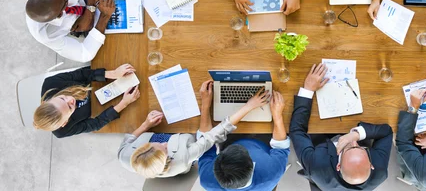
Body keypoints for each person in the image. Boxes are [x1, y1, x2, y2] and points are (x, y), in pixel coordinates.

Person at [118, 81, 270, 178]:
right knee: (208, 138)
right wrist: (248, 106)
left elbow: (130, 139)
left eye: (158, 144)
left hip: (162, 127)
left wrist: (146, 125)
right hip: (192, 145)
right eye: (165, 149)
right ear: (167, 159)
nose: (166, 143)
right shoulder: (183, 158)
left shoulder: (124, 157)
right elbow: (210, 136)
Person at [290, 63, 393, 190]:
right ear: (371, 165)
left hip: (321, 141)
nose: (354, 142)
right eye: (362, 148)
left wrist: (308, 90)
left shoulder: (317, 166)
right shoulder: (380, 171)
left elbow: (297, 131)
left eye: (349, 148)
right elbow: (387, 132)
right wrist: (356, 134)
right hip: (353, 124)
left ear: (338, 166)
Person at [26, 0, 115, 62]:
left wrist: (90, 10)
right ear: (60, 14)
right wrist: (104, 17)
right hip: (79, 25)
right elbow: (84, 55)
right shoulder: (44, 34)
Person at [198, 91, 289, 190]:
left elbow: (205, 142)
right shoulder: (272, 174)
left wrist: (205, 106)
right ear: (252, 167)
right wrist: (277, 115)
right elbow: (281, 147)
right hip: (263, 141)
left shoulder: (207, 179)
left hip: (229, 139)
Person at [33, 64, 139, 138]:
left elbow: (82, 74)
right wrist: (124, 103)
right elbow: (95, 124)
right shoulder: (63, 131)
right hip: (101, 104)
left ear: (47, 100)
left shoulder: (51, 83)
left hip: (97, 78)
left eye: (62, 98)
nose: (71, 99)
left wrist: (114, 74)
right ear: (65, 123)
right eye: (70, 107)